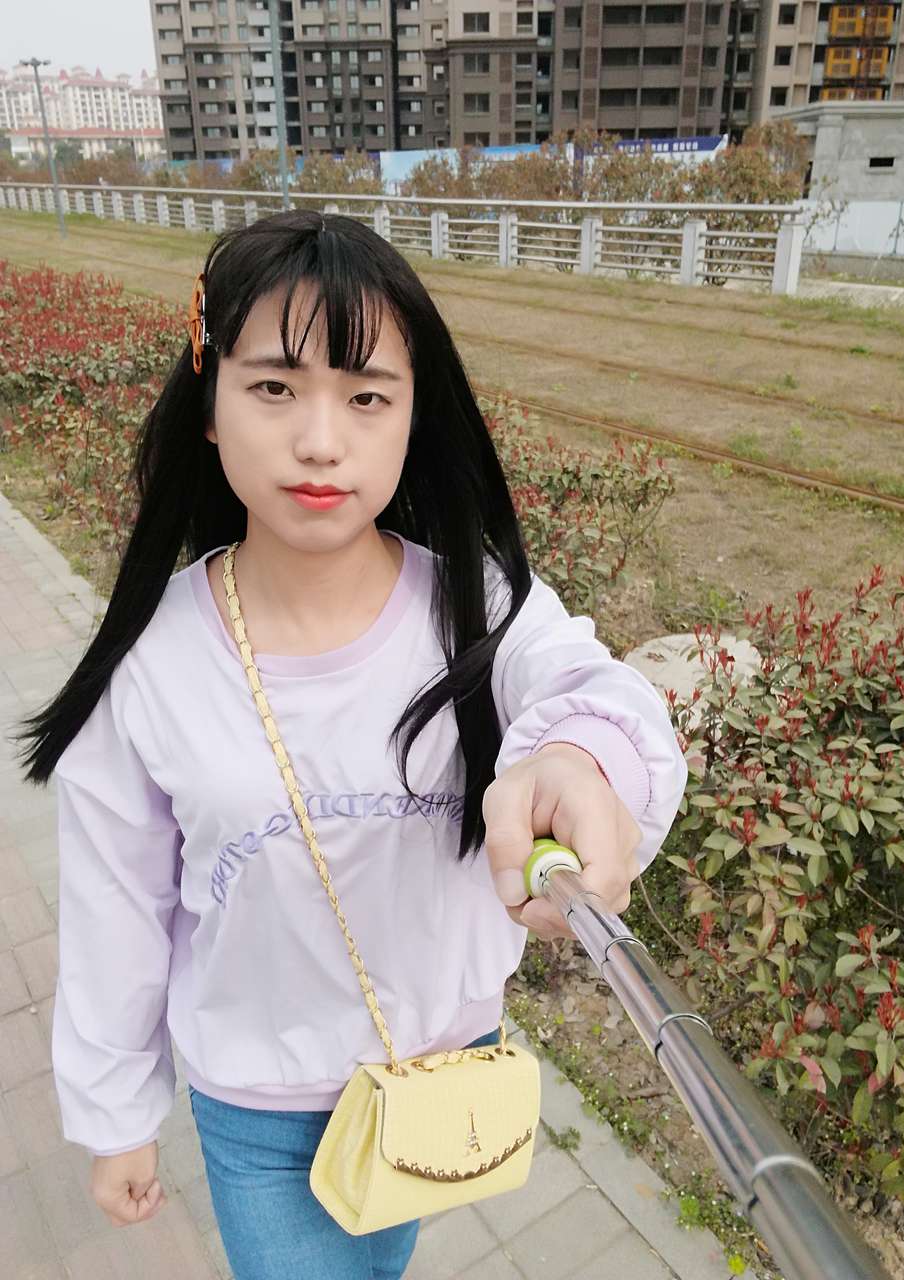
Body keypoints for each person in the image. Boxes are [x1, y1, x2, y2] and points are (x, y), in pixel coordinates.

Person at [14, 210, 688, 1280]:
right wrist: (116, 1115)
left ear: (413, 415)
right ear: (210, 401)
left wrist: (584, 761)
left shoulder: (478, 604)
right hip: (261, 1112)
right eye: (274, 388)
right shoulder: (153, 662)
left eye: (367, 396)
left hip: (444, 1072)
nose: (322, 440)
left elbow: (591, 689)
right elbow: (116, 907)